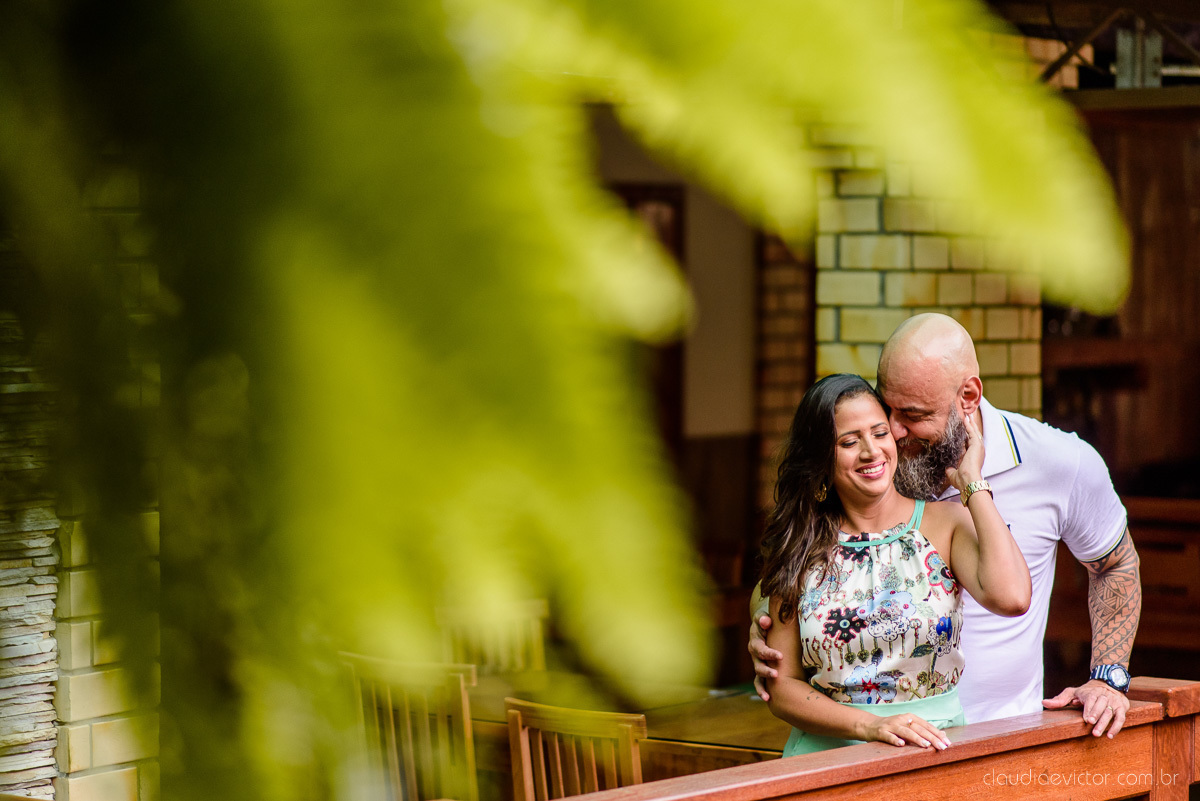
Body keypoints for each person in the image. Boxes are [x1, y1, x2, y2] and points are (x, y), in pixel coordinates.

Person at [751, 313, 1142, 739]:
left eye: (913, 415)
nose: (894, 433)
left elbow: (1114, 565)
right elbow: (804, 562)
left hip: (1002, 737)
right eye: (888, 408)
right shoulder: (877, 462)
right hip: (858, 737)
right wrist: (767, 623)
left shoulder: (1060, 461)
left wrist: (1108, 677)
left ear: (968, 396)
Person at [760, 373, 1030, 754]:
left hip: (932, 752)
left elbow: (1013, 597)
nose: (871, 451)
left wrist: (973, 483)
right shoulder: (800, 545)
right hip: (825, 759)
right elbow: (782, 685)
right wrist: (870, 725)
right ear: (822, 458)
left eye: (880, 433)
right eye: (849, 442)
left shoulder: (945, 523)